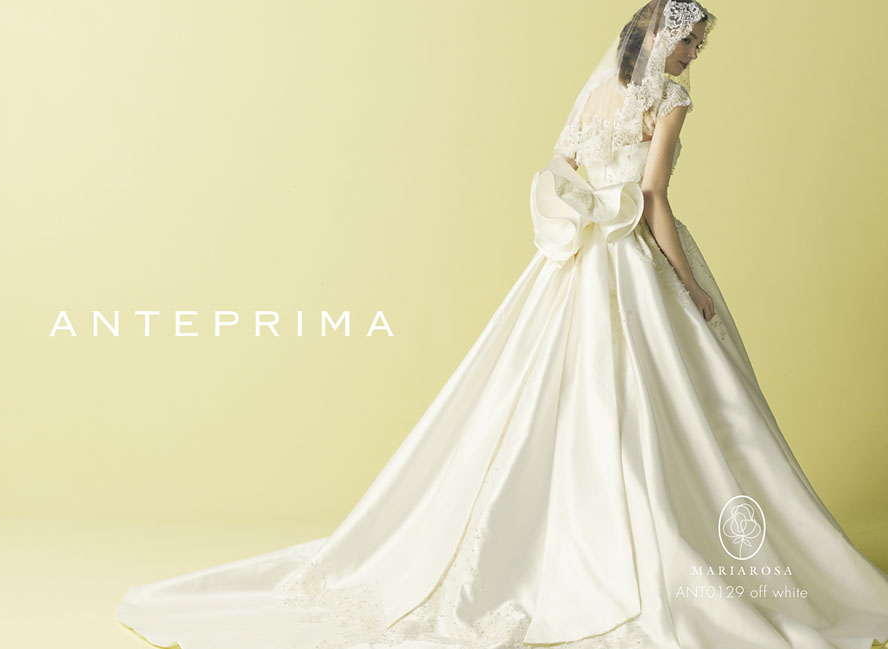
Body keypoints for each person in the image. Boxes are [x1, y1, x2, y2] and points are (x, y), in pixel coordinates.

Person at [116, 2, 888, 648]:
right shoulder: (672, 99)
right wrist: (689, 286)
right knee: (669, 408)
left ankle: (570, 542)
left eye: (697, 48)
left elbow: (561, 169)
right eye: (689, 42)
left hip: (578, 264)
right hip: (636, 261)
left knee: (555, 401)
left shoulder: (600, 90)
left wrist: (582, 213)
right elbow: (654, 199)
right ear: (662, 36)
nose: (692, 57)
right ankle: (663, 549)